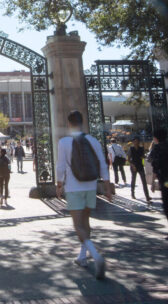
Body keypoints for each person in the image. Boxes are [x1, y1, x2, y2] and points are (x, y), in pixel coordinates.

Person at [56, 110, 113, 280]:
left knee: (78, 225)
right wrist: (107, 187)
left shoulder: (64, 142)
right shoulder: (93, 140)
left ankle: (96, 256)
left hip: (74, 187)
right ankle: (82, 256)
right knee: (86, 222)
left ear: (68, 124)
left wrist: (59, 184)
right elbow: (103, 163)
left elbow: (60, 166)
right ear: (82, 123)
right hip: (90, 185)